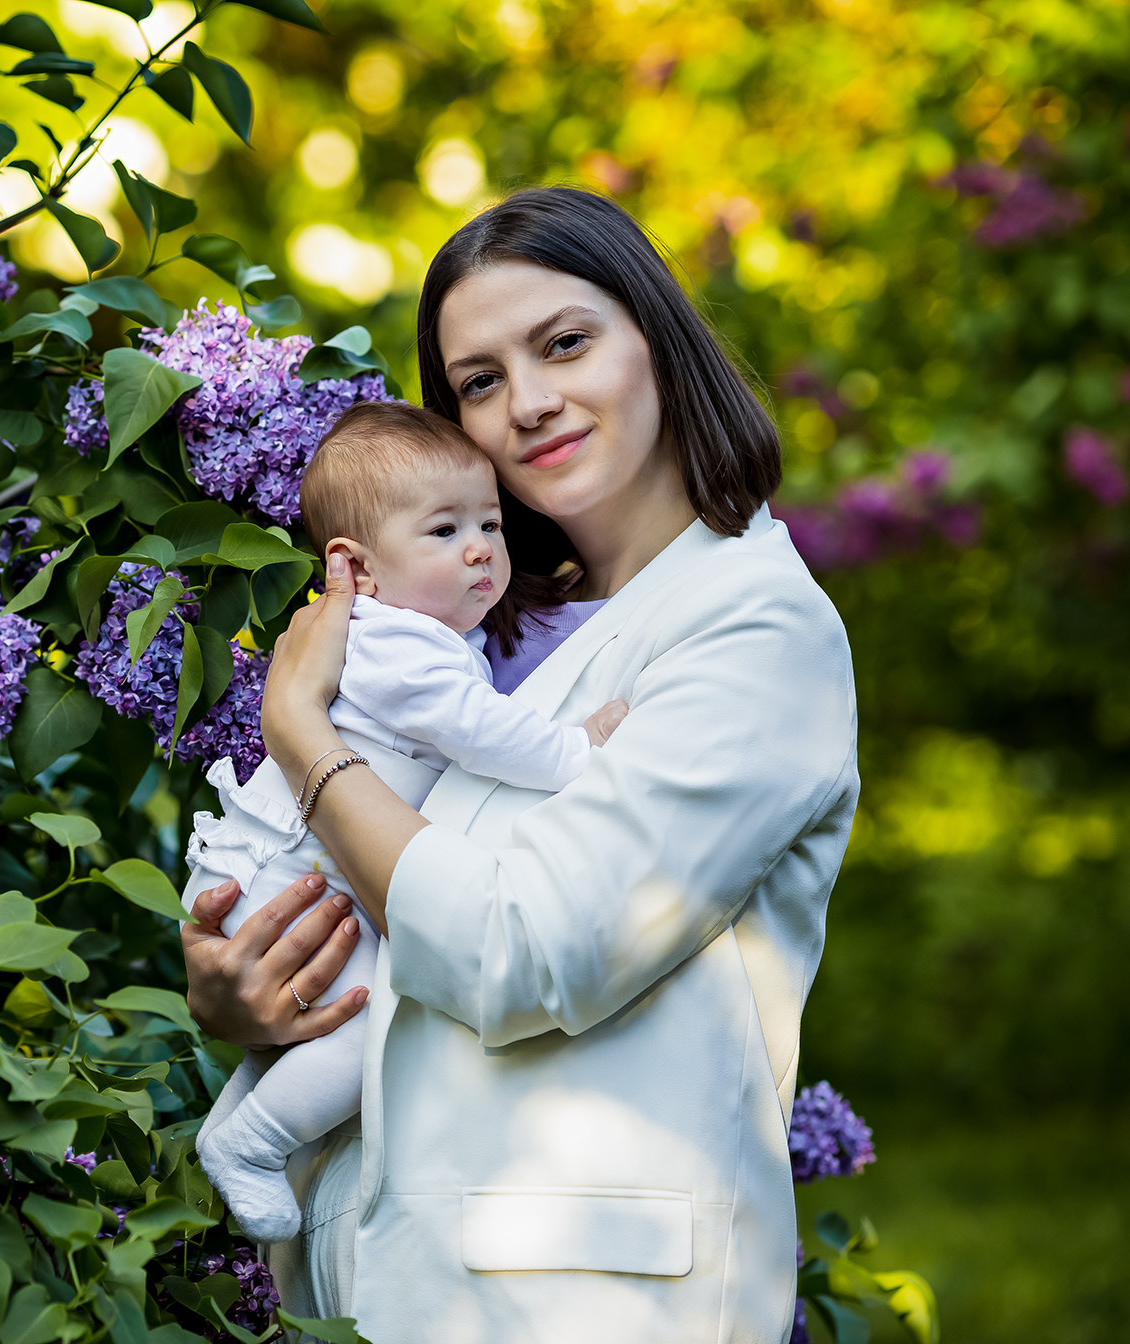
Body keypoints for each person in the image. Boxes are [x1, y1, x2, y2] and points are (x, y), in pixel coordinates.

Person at [180, 187, 860, 1344]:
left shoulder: (755, 628)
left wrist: (303, 738)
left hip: (579, 1306)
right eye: (480, 382)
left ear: (657, 338)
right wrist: (245, 994)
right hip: (371, 1289)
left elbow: (529, 949)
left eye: (565, 343)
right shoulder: (463, 615)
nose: (530, 402)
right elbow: (382, 934)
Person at [185, 401, 628, 1242]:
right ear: (357, 567)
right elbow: (480, 731)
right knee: (372, 1022)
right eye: (444, 531)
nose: (480, 549)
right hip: (292, 876)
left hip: (299, 871)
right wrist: (580, 752)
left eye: (491, 524)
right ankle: (254, 1143)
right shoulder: (397, 642)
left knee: (336, 1020)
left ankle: (230, 1126)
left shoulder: (408, 636)